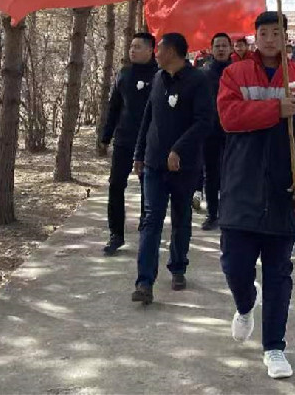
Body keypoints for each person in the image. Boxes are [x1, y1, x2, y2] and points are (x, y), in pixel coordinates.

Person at [217, 11, 295, 380]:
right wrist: (273, 109)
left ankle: (275, 347)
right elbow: (229, 117)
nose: (269, 38)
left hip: (285, 190)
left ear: (285, 37)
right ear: (254, 37)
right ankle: (246, 304)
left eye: (276, 32)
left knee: (279, 273)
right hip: (240, 185)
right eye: (263, 32)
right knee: (234, 264)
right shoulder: (235, 74)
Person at [131, 33, 215, 304]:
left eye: (161, 48)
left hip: (185, 165)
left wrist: (178, 149)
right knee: (151, 219)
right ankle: (144, 282)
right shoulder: (157, 78)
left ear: (174, 52)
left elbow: (204, 122)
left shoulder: (199, 81)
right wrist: (139, 154)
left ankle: (178, 267)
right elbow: (148, 117)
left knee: (181, 218)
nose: (156, 53)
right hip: (155, 164)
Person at [98, 32, 158, 255]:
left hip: (150, 143)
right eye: (131, 46)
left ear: (151, 50)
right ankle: (116, 234)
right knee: (115, 185)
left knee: (148, 188)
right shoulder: (124, 74)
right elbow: (114, 107)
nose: (132, 50)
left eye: (138, 46)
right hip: (124, 140)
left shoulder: (159, 75)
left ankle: (147, 230)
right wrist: (106, 136)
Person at [199, 32, 235, 230]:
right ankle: (212, 213)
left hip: (234, 131)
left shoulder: (238, 71)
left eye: (224, 45)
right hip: (211, 131)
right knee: (211, 174)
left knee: (232, 173)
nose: (221, 49)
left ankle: (230, 213)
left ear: (230, 48)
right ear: (211, 49)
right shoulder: (204, 73)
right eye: (217, 46)